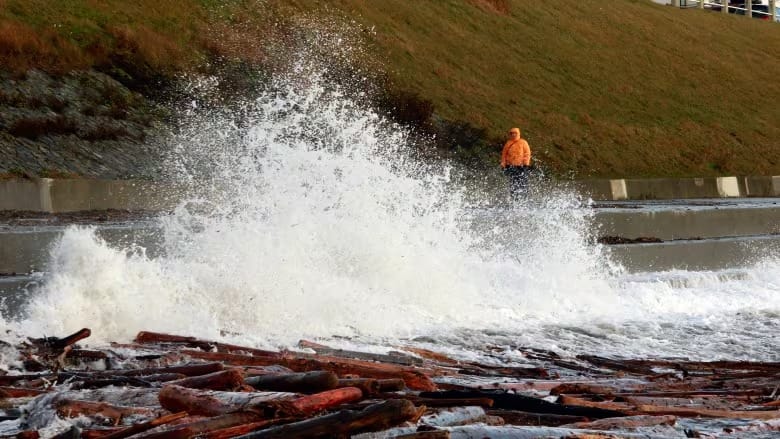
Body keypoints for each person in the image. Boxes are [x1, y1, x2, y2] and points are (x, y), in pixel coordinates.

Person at [500, 127, 532, 199]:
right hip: (511, 166)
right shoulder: (508, 143)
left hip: (521, 166)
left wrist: (526, 164)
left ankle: (524, 197)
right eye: (512, 133)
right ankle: (514, 197)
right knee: (513, 183)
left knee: (523, 182)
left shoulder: (523, 142)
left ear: (518, 134)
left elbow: (527, 154)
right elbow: (504, 154)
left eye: (515, 133)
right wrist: (503, 164)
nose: (513, 134)